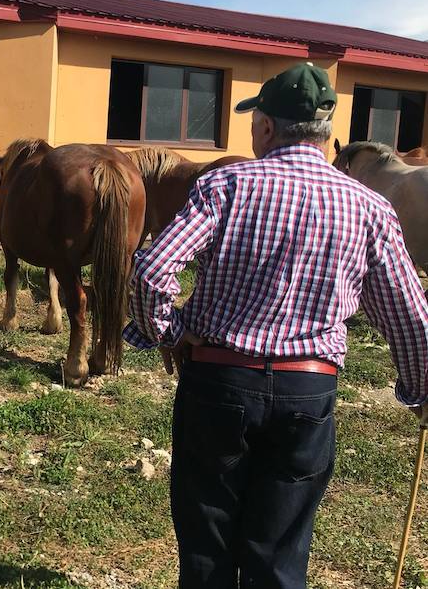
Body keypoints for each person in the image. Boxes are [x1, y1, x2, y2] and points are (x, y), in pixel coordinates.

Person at [122, 62, 428, 588]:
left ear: (266, 127)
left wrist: (168, 331)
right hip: (308, 391)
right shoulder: (371, 207)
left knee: (207, 540)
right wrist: (423, 390)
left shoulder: (226, 183)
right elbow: (408, 314)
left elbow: (151, 269)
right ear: (326, 131)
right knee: (281, 552)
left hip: (218, 383)